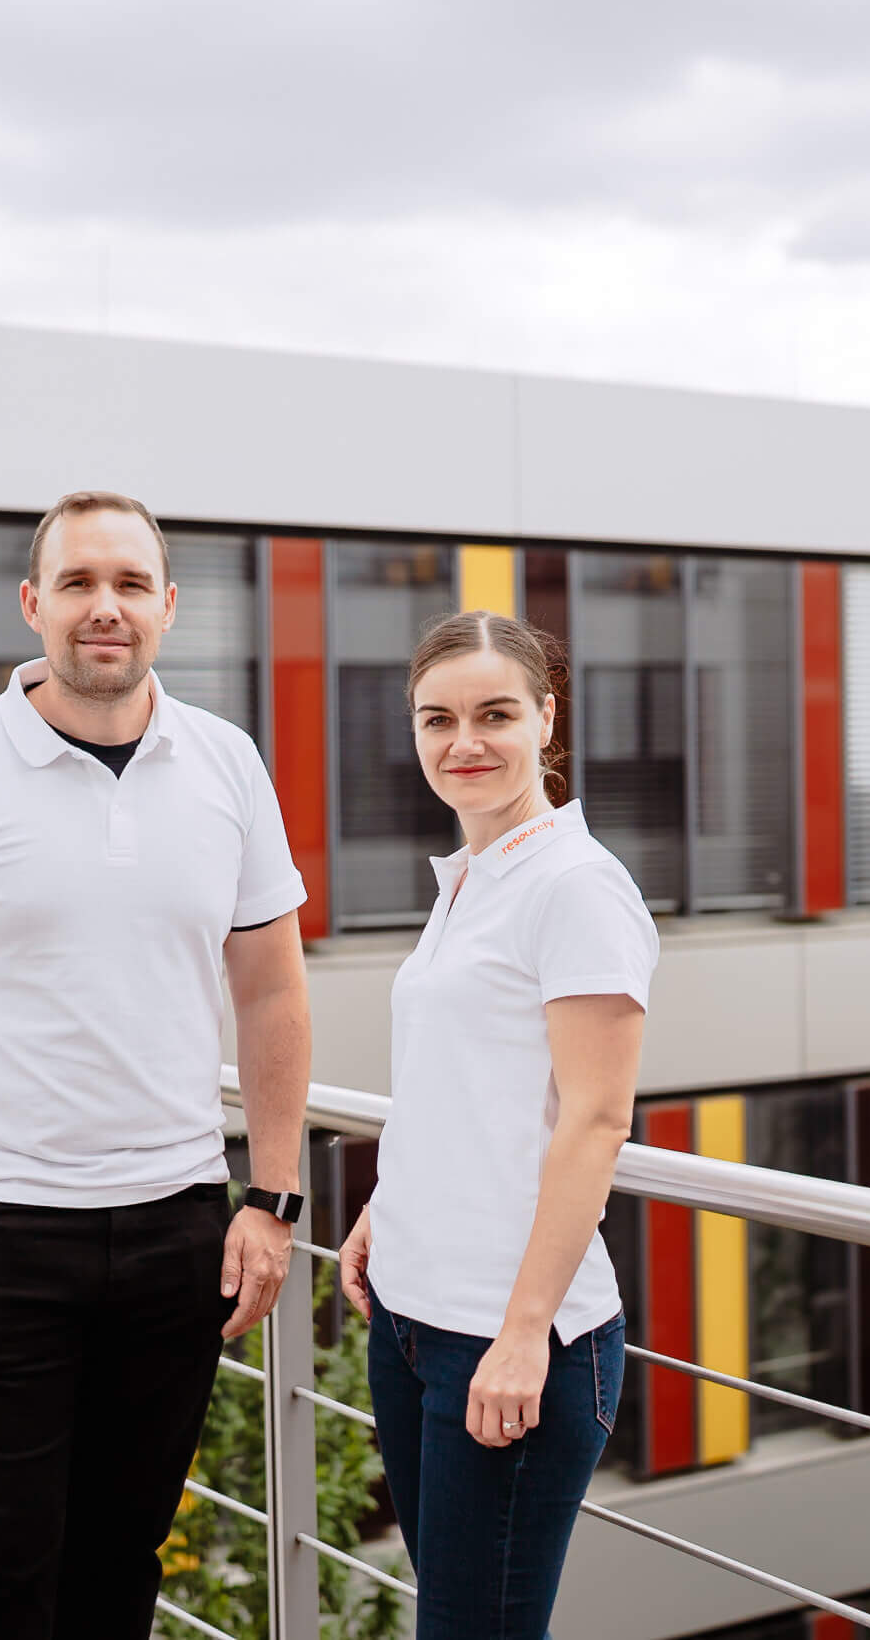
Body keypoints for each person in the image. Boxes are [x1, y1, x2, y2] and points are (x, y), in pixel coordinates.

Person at [0, 491, 316, 1640]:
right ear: (34, 603)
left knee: (118, 1566)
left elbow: (273, 988)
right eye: (81, 584)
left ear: (169, 608)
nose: (107, 608)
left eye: (131, 585)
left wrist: (274, 1199)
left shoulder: (227, 765)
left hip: (175, 1227)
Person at [337, 609, 656, 1639]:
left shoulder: (575, 887)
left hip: (516, 1339)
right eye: (436, 718)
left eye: (493, 714)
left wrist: (521, 1337)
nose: (461, 742)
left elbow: (597, 1122)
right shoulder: (472, 877)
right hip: (410, 1319)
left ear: (546, 719)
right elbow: (461, 1084)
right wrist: (392, 1205)